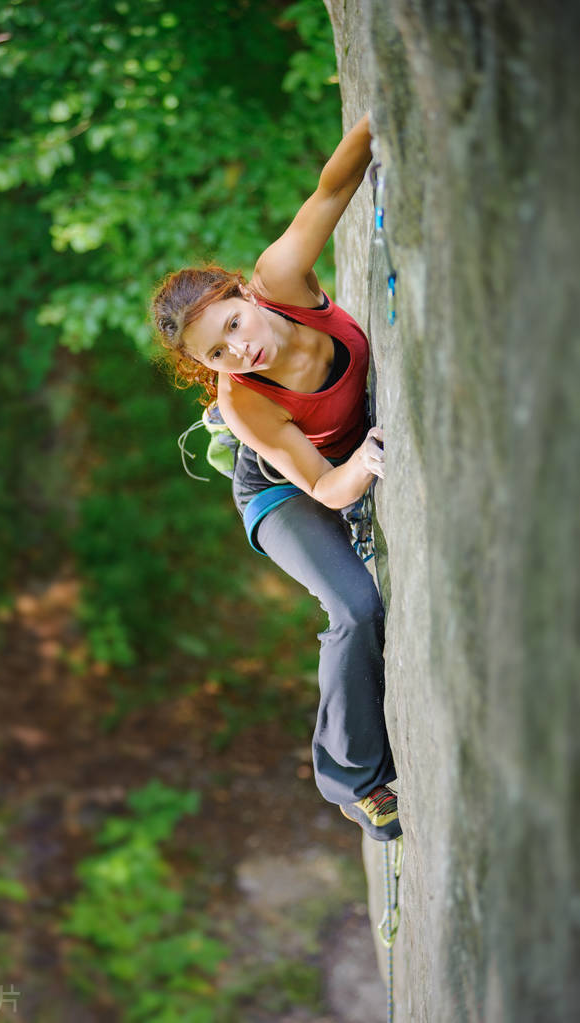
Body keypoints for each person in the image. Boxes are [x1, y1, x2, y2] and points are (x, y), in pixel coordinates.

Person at [152, 112, 401, 842]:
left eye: (232, 324)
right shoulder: (245, 403)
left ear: (243, 294)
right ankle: (354, 781)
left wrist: (377, 118)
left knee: (361, 605)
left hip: (327, 460)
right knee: (353, 608)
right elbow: (321, 487)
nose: (239, 350)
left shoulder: (282, 280)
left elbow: (332, 188)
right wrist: (362, 465)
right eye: (217, 354)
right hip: (279, 489)